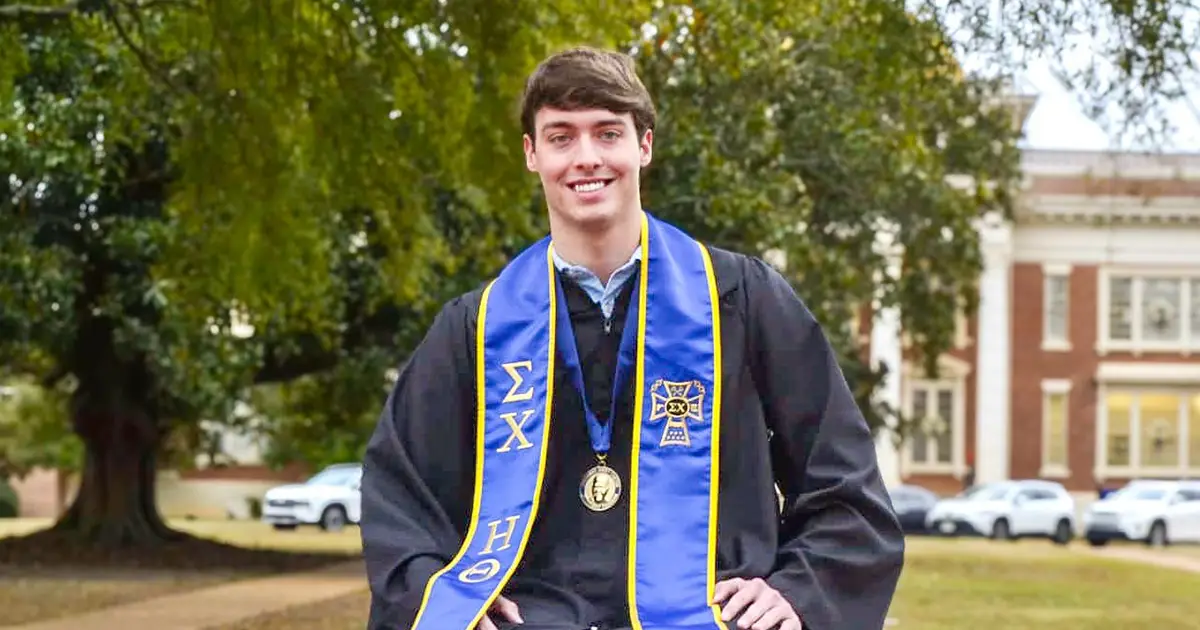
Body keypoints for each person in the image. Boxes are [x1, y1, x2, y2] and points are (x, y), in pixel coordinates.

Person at [360, 46, 905, 630]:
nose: (586, 157)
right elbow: (401, 502)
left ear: (643, 145)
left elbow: (843, 486)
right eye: (561, 136)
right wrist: (448, 600)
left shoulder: (742, 300)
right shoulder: (478, 329)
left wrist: (800, 591)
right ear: (531, 154)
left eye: (608, 133)